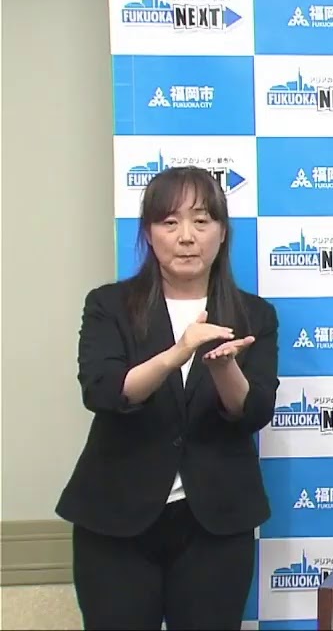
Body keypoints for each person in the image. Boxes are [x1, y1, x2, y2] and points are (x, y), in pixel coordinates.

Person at [55, 166, 279, 630]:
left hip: (216, 522)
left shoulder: (254, 314)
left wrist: (223, 368)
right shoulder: (109, 305)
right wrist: (178, 353)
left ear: (222, 233)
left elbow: (253, 412)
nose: (186, 237)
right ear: (148, 233)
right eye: (170, 222)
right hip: (115, 520)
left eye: (202, 221)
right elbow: (104, 391)